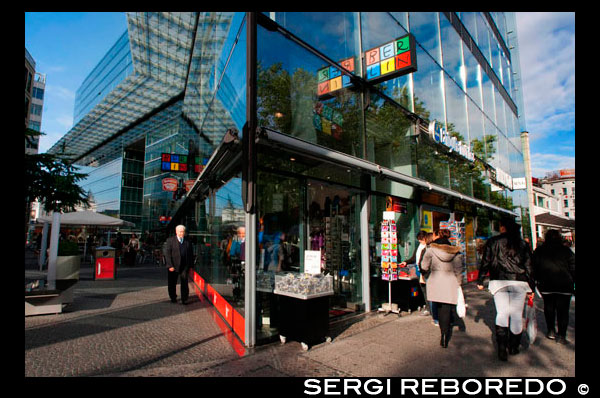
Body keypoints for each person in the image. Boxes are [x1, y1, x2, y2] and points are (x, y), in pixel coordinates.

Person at [477, 217, 534, 361]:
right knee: (516, 314)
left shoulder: (493, 242)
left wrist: (481, 279)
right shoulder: (522, 244)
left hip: (499, 281)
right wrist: (532, 286)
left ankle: (502, 349)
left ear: (503, 227)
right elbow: (529, 266)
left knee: (501, 313)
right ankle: (513, 347)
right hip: (519, 282)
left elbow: (486, 261)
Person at [420, 228, 464, 348]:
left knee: (439, 307)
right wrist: (459, 283)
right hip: (450, 281)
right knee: (448, 306)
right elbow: (459, 270)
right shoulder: (455, 251)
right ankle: (446, 331)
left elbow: (424, 266)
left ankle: (443, 334)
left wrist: (425, 274)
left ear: (438, 235)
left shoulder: (431, 250)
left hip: (436, 280)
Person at [532, 229, 575, 344]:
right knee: (563, 311)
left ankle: (551, 330)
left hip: (546, 284)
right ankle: (562, 335)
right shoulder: (566, 251)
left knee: (549, 307)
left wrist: (535, 282)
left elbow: (534, 268)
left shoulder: (539, 250)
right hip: (564, 284)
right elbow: (573, 267)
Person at [400, 231, 430, 315]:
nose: (420, 241)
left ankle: (429, 307)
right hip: (418, 270)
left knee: (427, 289)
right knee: (422, 289)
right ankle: (427, 305)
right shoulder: (419, 247)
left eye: (421, 239)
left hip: (424, 270)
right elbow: (414, 258)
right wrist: (406, 262)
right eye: (419, 240)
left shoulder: (428, 247)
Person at [164, 225, 195, 304]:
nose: (182, 233)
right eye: (180, 232)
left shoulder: (188, 241)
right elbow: (167, 254)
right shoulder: (170, 240)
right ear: (176, 232)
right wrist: (170, 265)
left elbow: (191, 254)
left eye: (183, 232)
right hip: (173, 266)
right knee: (172, 283)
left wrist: (191, 265)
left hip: (184, 266)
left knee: (184, 282)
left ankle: (184, 299)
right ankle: (173, 297)